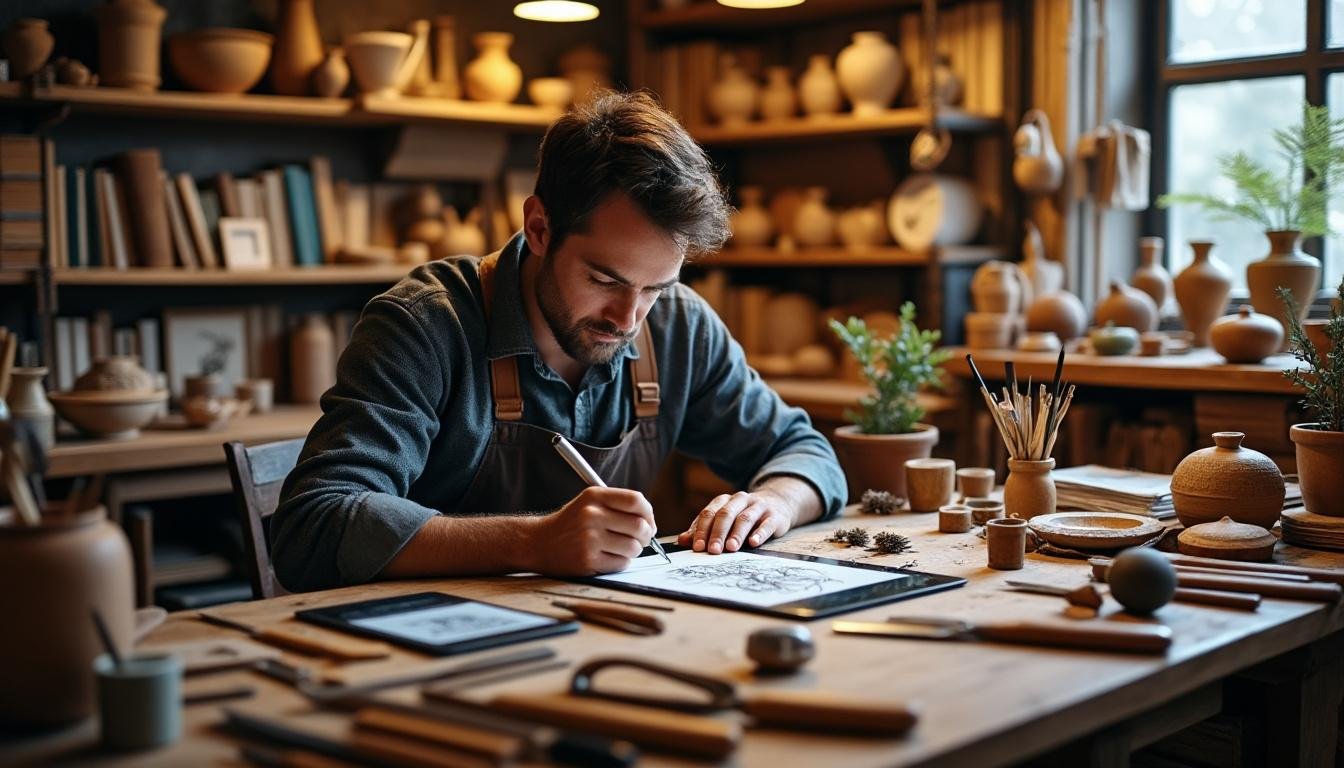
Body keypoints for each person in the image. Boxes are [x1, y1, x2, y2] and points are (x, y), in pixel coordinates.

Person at [270, 91, 846, 592]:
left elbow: (807, 453)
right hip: (424, 653)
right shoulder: (425, 324)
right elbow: (313, 526)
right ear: (540, 227)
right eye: (604, 280)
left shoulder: (677, 325)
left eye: (654, 287)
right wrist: (533, 541)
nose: (628, 318)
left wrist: (772, 503)